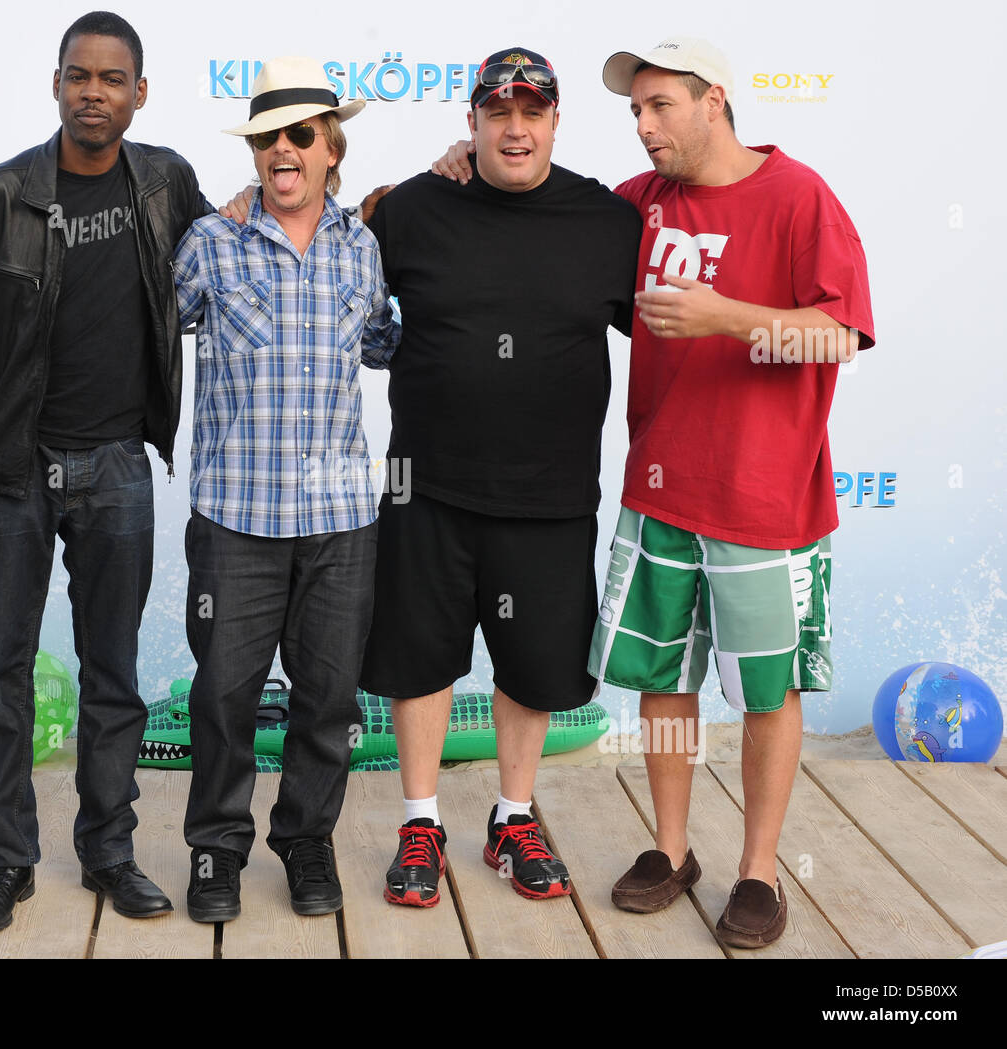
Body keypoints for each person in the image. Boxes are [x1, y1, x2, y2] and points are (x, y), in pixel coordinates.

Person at [0, 10, 212, 933]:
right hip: (13, 475)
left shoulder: (167, 183)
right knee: (3, 676)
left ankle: (109, 851)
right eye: (78, 75)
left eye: (111, 77)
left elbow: (238, 257)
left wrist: (369, 206)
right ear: (55, 84)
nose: (94, 91)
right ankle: (7, 863)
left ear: (140, 91)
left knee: (114, 673)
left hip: (120, 465)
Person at [590, 37, 875, 947]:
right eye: (634, 111)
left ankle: (757, 869)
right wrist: (452, 168)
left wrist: (727, 319)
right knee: (665, 688)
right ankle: (671, 850)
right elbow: (543, 222)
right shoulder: (641, 204)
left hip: (766, 501)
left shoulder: (798, 197)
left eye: (660, 106)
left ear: (715, 100)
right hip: (660, 490)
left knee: (766, 691)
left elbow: (840, 335)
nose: (643, 126)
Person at [360, 49, 641, 907]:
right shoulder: (411, 209)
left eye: (532, 111)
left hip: (551, 493)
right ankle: (419, 820)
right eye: (498, 112)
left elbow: (672, 332)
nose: (515, 128)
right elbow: (321, 252)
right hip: (426, 487)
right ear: (471, 122)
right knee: (420, 658)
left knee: (532, 665)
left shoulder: (607, 221)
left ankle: (513, 816)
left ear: (556, 120)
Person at [171, 56, 399, 922]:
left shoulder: (363, 248)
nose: (282, 150)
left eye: (299, 134)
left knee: (329, 698)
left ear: (331, 147)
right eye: (267, 137)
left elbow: (381, 344)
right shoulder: (211, 243)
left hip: (341, 519)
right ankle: (215, 849)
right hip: (235, 516)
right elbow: (148, 337)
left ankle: (307, 841)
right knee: (225, 694)